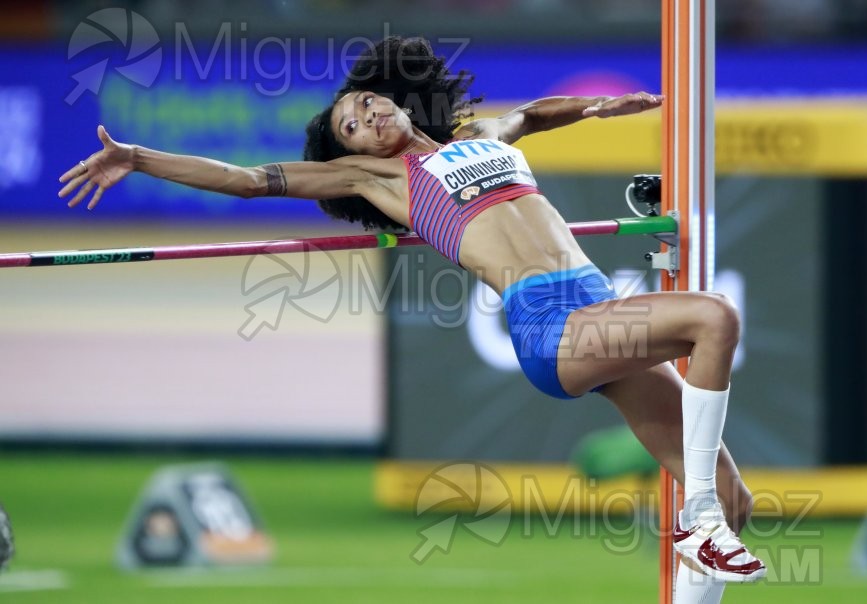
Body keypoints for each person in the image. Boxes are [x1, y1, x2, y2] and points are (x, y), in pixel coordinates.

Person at [58, 36, 765, 599]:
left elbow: (532, 114)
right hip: (550, 328)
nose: (365, 118)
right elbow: (246, 181)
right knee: (713, 317)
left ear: (392, 100)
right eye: (351, 126)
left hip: (596, 312)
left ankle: (709, 526)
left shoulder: (483, 138)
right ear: (352, 152)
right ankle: (697, 522)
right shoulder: (377, 179)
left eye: (366, 104)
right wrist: (138, 157)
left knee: (739, 504)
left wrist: (593, 109)